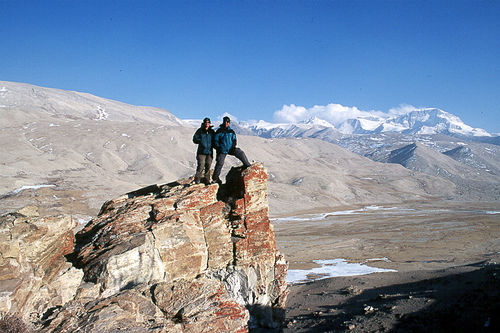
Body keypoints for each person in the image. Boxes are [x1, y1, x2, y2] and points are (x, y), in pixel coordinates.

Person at [212, 116, 251, 184]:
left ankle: (247, 165)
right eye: (225, 121)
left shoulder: (231, 131)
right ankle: (215, 178)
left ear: (229, 123)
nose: (226, 123)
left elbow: (234, 140)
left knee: (240, 152)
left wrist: (233, 146)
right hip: (222, 150)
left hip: (230, 149)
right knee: (220, 163)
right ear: (223, 122)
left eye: (227, 122)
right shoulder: (219, 131)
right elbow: (215, 141)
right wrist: (219, 148)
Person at [192, 117, 215, 184]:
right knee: (201, 166)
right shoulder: (200, 131)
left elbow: (215, 140)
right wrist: (201, 141)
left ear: (210, 123)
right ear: (204, 123)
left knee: (208, 166)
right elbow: (194, 139)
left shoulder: (212, 131)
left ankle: (207, 180)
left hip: (209, 152)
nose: (207, 124)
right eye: (206, 122)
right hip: (201, 152)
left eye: (208, 122)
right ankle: (197, 180)